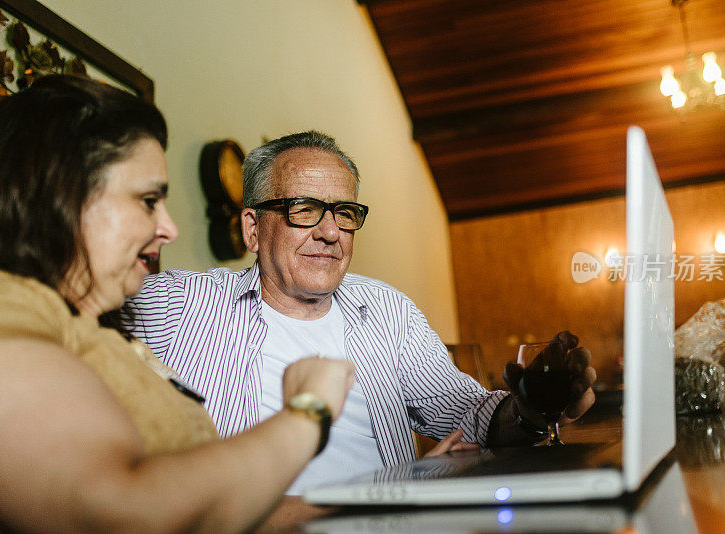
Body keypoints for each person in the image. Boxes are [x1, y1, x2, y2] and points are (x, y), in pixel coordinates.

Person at [128, 131, 597, 496]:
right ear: (253, 228)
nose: (331, 232)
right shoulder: (178, 304)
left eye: (345, 212)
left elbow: (471, 415)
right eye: (305, 209)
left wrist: (531, 411)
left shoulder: (388, 311)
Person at [0, 77, 358, 532]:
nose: (169, 228)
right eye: (148, 201)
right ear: (60, 196)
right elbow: (120, 514)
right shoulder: (5, 306)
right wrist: (307, 414)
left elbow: (210, 506)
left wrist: (390, 494)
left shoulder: (97, 326)